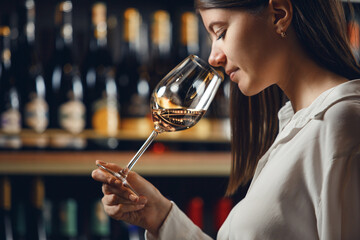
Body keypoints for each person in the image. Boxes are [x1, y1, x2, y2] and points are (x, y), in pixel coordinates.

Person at [92, 0, 360, 239]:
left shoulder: (341, 127)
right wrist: (160, 217)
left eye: (220, 33)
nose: (214, 58)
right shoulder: (297, 124)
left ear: (279, 14)